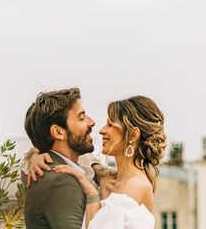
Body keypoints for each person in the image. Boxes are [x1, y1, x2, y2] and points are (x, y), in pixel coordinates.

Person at [52, 95, 166, 229]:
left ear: (133, 135)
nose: (102, 130)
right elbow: (70, 152)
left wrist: (92, 194)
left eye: (110, 124)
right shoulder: (106, 179)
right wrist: (37, 155)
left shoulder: (137, 187)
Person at [23, 88, 96, 229]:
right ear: (58, 132)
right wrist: (93, 195)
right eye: (81, 118)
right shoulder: (62, 180)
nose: (92, 122)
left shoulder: (55, 171)